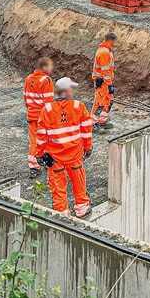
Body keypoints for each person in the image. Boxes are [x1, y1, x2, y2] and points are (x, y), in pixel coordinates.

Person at [36, 77, 93, 217]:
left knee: (58, 186)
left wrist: (40, 154)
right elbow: (86, 131)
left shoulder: (47, 109)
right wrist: (88, 148)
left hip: (55, 158)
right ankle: (82, 208)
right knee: (78, 182)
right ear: (67, 91)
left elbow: (41, 135)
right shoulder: (78, 107)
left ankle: (62, 213)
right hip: (75, 155)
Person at [23, 56, 54, 177]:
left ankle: (34, 167)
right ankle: (46, 162)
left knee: (33, 141)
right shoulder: (46, 80)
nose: (52, 68)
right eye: (50, 66)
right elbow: (48, 103)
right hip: (43, 117)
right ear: (44, 67)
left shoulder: (28, 79)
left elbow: (26, 99)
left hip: (32, 116)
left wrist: (31, 110)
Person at [91, 32, 116, 129]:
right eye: (114, 41)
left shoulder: (106, 50)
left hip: (105, 81)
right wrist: (109, 84)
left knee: (108, 101)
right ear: (110, 40)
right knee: (99, 103)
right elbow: (105, 70)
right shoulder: (104, 52)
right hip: (103, 82)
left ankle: (101, 121)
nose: (115, 43)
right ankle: (93, 123)